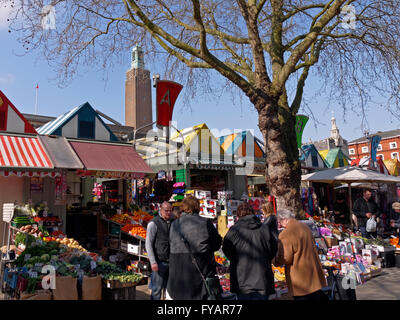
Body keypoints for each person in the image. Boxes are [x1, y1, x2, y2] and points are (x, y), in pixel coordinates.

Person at [166, 195, 222, 300]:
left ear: (183, 207)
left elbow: (169, 244)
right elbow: (217, 243)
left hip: (176, 279)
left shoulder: (174, 224)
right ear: (197, 207)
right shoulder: (205, 223)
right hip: (199, 278)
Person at [222, 203, 277, 300]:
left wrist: (235, 260)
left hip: (242, 279)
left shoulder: (234, 230)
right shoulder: (264, 228)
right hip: (262, 278)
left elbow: (226, 249)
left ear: (238, 216)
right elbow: (273, 250)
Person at [274, 209, 328, 301]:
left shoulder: (285, 234)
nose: (279, 225)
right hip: (312, 274)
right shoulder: (305, 227)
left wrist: (274, 261)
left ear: (284, 219)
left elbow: (286, 258)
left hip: (299, 278)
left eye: (279, 222)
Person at [145, 201, 173, 300]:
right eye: (166, 211)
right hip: (159, 262)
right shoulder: (153, 223)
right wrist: (153, 262)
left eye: (170, 211)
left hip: (172, 262)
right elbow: (148, 244)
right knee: (156, 290)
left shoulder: (173, 221)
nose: (168, 213)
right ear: (160, 209)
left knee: (169, 291)